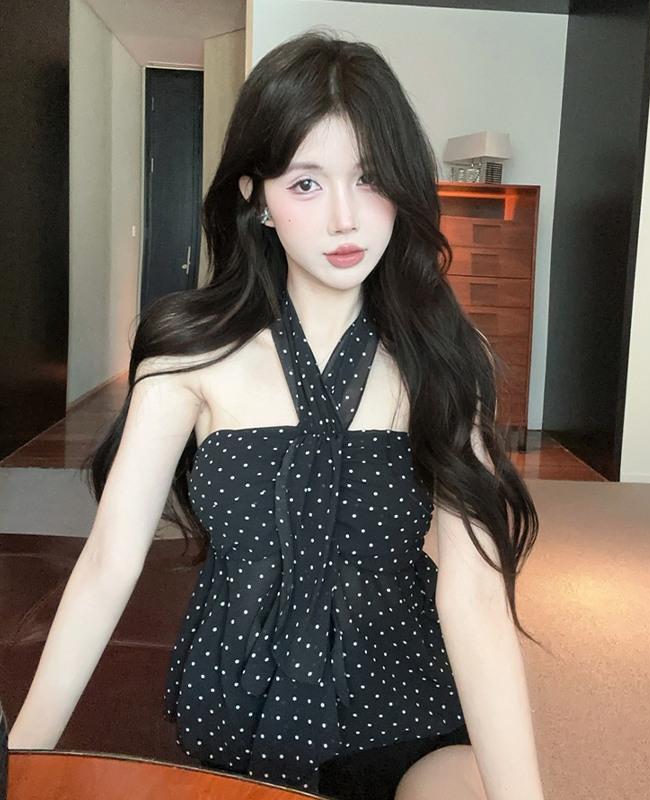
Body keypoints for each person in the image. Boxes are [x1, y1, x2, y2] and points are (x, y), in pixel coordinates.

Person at [9, 31, 545, 800]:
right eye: (306, 183)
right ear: (256, 197)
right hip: (239, 710)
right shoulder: (188, 356)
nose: (345, 219)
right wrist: (23, 756)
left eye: (369, 178)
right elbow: (107, 565)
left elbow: (474, 596)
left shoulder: (445, 360)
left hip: (404, 705)